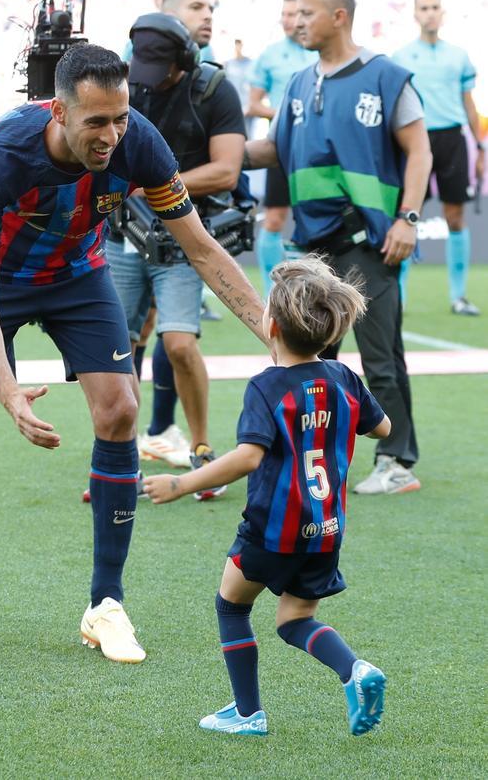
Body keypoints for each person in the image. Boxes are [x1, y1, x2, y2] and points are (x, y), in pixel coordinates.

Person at [0, 44, 265, 664]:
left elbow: (201, 249)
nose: (112, 135)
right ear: (58, 112)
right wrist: (10, 392)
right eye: (96, 122)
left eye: (119, 117)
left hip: (78, 275)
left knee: (120, 409)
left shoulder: (139, 143)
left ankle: (106, 607)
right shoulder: (1, 153)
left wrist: (271, 331)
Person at [144, 257, 391, 737]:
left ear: (271, 325)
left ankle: (247, 713)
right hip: (326, 530)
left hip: (273, 529)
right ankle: (354, 671)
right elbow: (383, 428)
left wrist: (179, 485)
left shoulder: (267, 387)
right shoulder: (343, 378)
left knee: (232, 606)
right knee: (295, 619)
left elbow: (247, 458)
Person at [244, 0, 432, 496]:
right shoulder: (299, 82)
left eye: (306, 12)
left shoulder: (386, 77)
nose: (296, 20)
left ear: (339, 16)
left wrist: (408, 220)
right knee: (313, 359)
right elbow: (272, 150)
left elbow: (420, 150)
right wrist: (214, 155)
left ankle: (396, 461)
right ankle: (316, 458)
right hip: (314, 243)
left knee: (379, 356)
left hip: (370, 239)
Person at [106, 10, 247, 496]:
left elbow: (227, 171)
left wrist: (157, 184)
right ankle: (119, 458)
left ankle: (202, 450)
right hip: (126, 235)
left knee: (180, 345)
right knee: (116, 349)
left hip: (187, 237)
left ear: (184, 59)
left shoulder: (216, 91)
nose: (147, 79)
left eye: (158, 66)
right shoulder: (129, 87)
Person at [392, 0, 484, 316]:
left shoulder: (459, 56)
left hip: (452, 140)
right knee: (406, 215)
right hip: (414, 141)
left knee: (455, 217)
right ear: (415, 14)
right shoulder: (400, 57)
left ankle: (458, 297)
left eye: (434, 7)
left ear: (441, 12)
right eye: (424, 8)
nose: (430, 13)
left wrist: (481, 146)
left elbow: (469, 105)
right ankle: (397, 297)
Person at [247, 0, 318, 296]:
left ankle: (315, 290)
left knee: (315, 218)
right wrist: (291, 113)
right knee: (275, 219)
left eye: (298, 14)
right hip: (283, 148)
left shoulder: (319, 51)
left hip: (317, 151)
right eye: (287, 14)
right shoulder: (270, 54)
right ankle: (270, 292)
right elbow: (253, 105)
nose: (292, 20)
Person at [225, 39, 255, 139]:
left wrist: (250, 105)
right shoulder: (228, 64)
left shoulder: (252, 64)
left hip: (248, 108)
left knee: (248, 136)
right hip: (232, 107)